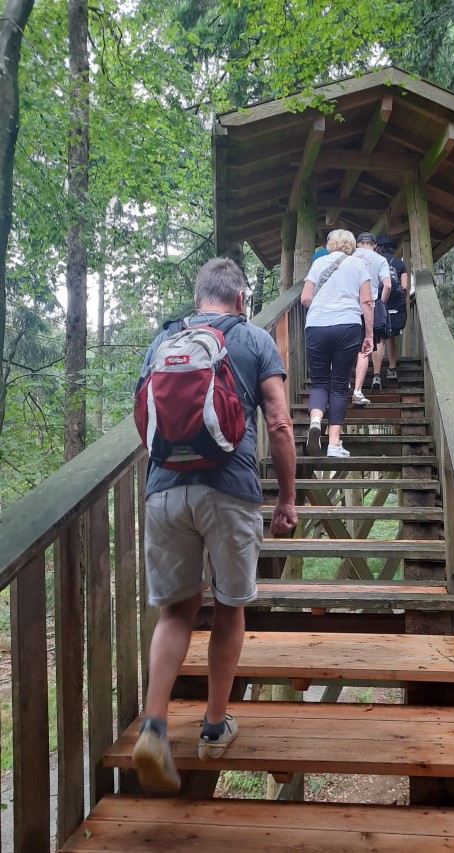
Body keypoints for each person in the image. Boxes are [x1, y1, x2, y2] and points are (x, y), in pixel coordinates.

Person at [132, 257, 298, 794]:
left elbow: (144, 419)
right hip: (230, 491)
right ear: (242, 298)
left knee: (175, 611)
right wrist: (286, 498)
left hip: (165, 490)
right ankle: (213, 726)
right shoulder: (254, 340)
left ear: (199, 295)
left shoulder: (163, 341)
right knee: (229, 606)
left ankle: (154, 726)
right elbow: (279, 421)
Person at [301, 229, 374, 458]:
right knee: (340, 384)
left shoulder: (318, 263)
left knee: (320, 382)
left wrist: (322, 307)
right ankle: (334, 444)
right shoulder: (359, 264)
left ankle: (315, 421)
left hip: (316, 326)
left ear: (330, 244)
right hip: (348, 325)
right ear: (352, 245)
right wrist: (369, 335)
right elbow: (367, 301)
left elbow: (305, 298)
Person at [351, 232, 391, 404]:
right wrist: (381, 302)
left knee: (348, 346)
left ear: (358, 244)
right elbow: (387, 285)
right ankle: (363, 386)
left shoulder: (349, 257)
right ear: (375, 245)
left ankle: (344, 382)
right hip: (370, 306)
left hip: (349, 307)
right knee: (367, 347)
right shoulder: (380, 260)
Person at [372, 234, 409, 386]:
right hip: (395, 305)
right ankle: (392, 369)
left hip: (378, 303)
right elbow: (405, 287)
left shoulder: (374, 263)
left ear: (378, 247)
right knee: (391, 336)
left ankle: (376, 375)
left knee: (379, 338)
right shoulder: (399, 264)